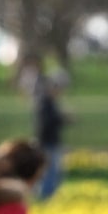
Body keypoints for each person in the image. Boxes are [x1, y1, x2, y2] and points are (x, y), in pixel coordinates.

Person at [34, 72, 69, 200]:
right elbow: (47, 122)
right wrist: (62, 118)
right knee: (49, 171)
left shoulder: (50, 103)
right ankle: (45, 196)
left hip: (51, 141)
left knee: (53, 171)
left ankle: (48, 195)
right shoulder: (45, 103)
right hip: (47, 142)